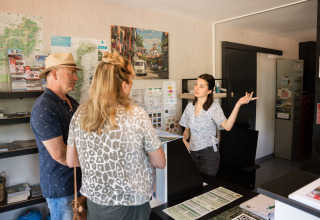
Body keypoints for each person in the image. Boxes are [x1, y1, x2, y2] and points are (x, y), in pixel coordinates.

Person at [66, 52, 166, 220]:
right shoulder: (137, 115)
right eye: (131, 80)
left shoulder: (79, 114)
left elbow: (72, 161)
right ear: (123, 85)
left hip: (95, 203)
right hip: (131, 204)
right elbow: (159, 162)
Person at [30, 52, 82, 220]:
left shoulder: (71, 102)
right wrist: (95, 161)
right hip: (62, 189)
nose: (76, 78)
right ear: (54, 73)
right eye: (71, 73)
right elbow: (60, 154)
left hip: (79, 184)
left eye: (76, 73)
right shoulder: (44, 107)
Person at [179, 73, 259, 177]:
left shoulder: (214, 108)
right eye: (196, 84)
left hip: (208, 153)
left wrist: (238, 105)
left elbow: (227, 126)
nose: (196, 88)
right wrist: (183, 139)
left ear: (209, 91)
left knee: (207, 185)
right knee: (194, 184)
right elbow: (187, 130)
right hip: (192, 152)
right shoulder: (189, 107)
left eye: (201, 86)